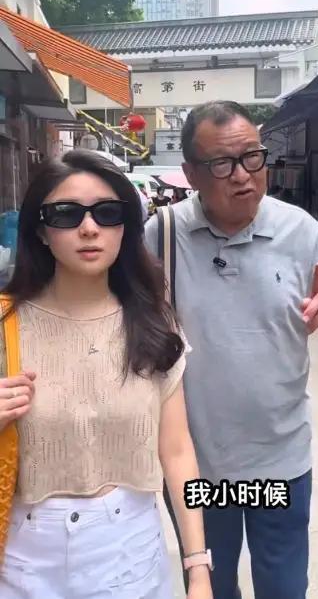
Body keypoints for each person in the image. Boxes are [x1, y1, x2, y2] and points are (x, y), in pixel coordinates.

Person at [145, 101, 318, 599]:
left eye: (252, 157)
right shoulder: (161, 236)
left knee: (284, 588)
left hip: (280, 463)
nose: (243, 175)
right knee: (212, 585)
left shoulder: (301, 232)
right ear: (190, 174)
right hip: (199, 468)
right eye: (222, 164)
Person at [0, 150, 213, 599]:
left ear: (125, 227)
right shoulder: (5, 326)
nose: (89, 228)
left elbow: (177, 451)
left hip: (129, 552)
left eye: (107, 213)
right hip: (23, 558)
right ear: (40, 229)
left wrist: (198, 567)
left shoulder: (153, 323)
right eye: (66, 214)